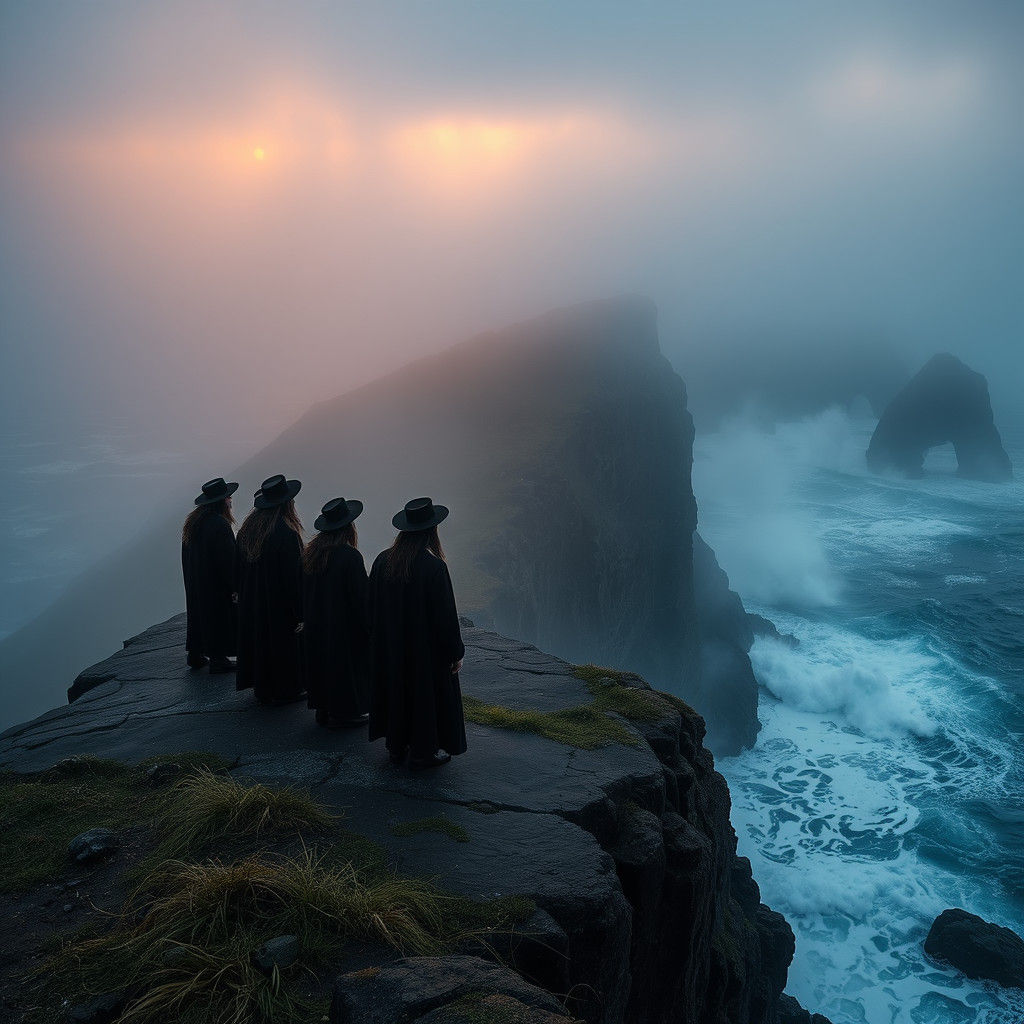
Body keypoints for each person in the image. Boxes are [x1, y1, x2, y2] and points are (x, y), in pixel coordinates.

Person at [368, 497, 466, 768]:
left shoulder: (382, 561)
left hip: (390, 648)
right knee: (424, 697)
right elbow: (445, 618)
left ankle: (396, 746)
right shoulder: (434, 567)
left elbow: (372, 606)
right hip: (424, 652)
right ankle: (424, 751)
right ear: (431, 531)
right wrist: (455, 653)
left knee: (397, 693)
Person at [235, 474, 305, 705]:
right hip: (277, 603)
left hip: (252, 600)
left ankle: (263, 687)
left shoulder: (248, 530)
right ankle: (286, 689)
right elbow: (293, 578)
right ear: (286, 504)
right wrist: (299, 612)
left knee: (260, 642)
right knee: (281, 646)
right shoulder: (286, 533)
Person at [302, 497, 370, 728]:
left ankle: (323, 708)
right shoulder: (350, 557)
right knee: (345, 668)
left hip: (316, 623)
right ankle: (347, 712)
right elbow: (362, 598)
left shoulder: (311, 554)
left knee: (322, 664)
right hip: (343, 627)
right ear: (348, 527)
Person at [181, 477, 238, 673]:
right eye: (229, 497)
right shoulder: (220, 524)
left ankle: (195, 654)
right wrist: (235, 585)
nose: (231, 501)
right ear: (222, 501)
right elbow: (228, 558)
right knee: (217, 617)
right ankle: (218, 658)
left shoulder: (193, 523)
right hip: (214, 583)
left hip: (196, 580)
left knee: (198, 616)